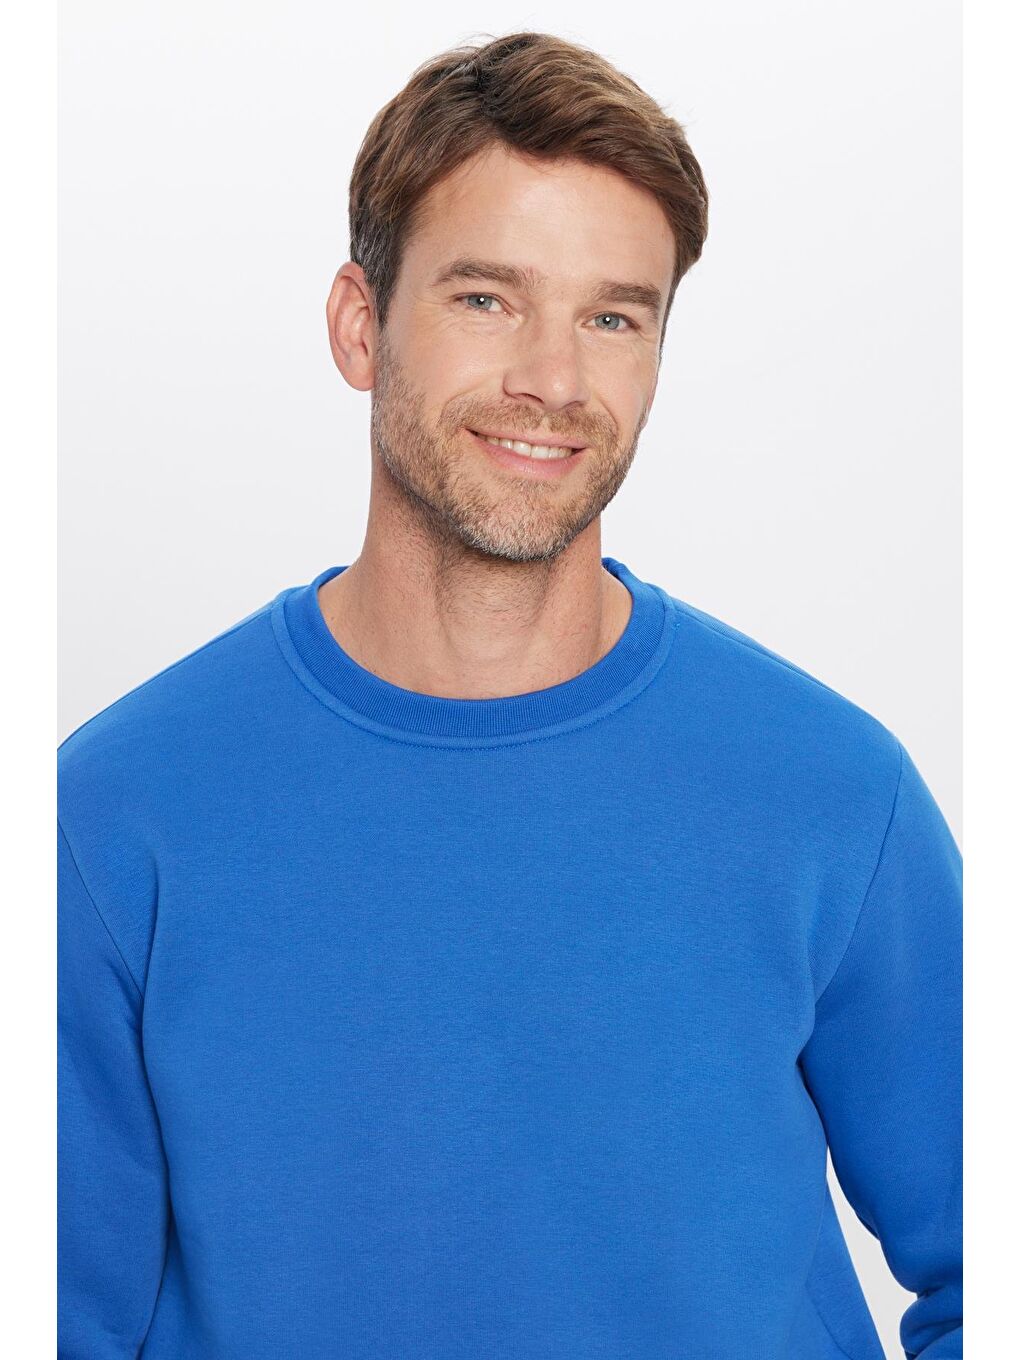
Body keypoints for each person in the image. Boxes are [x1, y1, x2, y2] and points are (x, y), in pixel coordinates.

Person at [57, 30, 962, 1359]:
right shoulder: (116, 813)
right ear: (359, 326)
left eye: (613, 317)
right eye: (487, 299)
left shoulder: (834, 795)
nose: (554, 380)